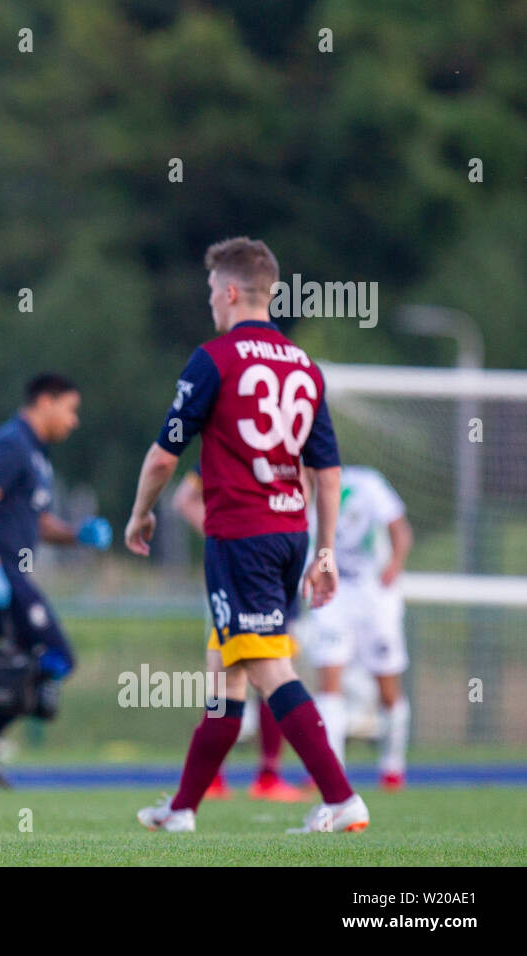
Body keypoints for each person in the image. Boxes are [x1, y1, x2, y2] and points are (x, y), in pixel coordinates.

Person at [125, 236, 368, 834]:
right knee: (225, 679)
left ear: (231, 292)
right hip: (289, 536)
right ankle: (181, 809)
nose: (211, 302)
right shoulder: (305, 367)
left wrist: (141, 513)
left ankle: (340, 797)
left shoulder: (215, 358)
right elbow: (327, 472)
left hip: (243, 537)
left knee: (266, 671)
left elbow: (163, 458)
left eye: (212, 291)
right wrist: (325, 551)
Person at [0, 373, 112, 787]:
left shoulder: (36, 455)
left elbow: (36, 522)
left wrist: (76, 533)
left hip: (7, 575)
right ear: (45, 401)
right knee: (55, 655)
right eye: (71, 409)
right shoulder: (12, 443)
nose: (73, 421)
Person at [172, 465, 303, 802]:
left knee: (246, 675)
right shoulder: (235, 439)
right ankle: (253, 777)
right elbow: (184, 499)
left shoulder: (283, 439)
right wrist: (229, 537)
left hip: (269, 568)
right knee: (258, 674)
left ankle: (240, 777)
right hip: (248, 571)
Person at [304, 465, 414, 789]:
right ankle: (331, 770)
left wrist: (394, 566)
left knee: (387, 685)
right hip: (333, 595)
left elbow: (400, 529)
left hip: (375, 597)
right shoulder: (298, 496)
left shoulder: (367, 483)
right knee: (328, 679)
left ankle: (393, 766)